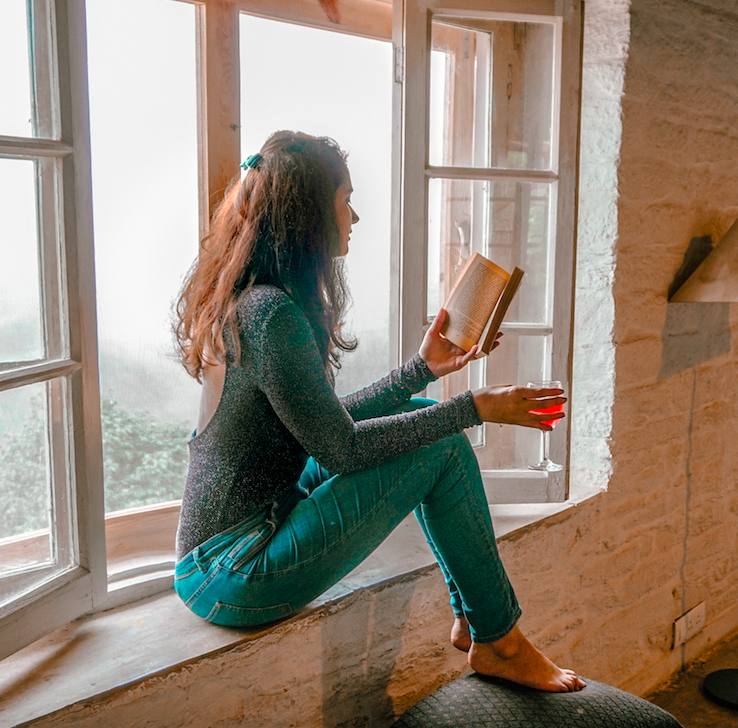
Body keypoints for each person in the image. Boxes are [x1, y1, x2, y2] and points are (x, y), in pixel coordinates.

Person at [172, 130, 584, 693]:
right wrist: (475, 407)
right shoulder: (271, 316)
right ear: (307, 217)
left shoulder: (263, 300)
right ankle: (501, 641)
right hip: (231, 569)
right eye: (344, 201)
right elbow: (340, 449)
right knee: (439, 439)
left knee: (422, 415)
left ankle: (476, 621)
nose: (355, 217)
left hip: (259, 522)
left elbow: (323, 424)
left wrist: (423, 370)